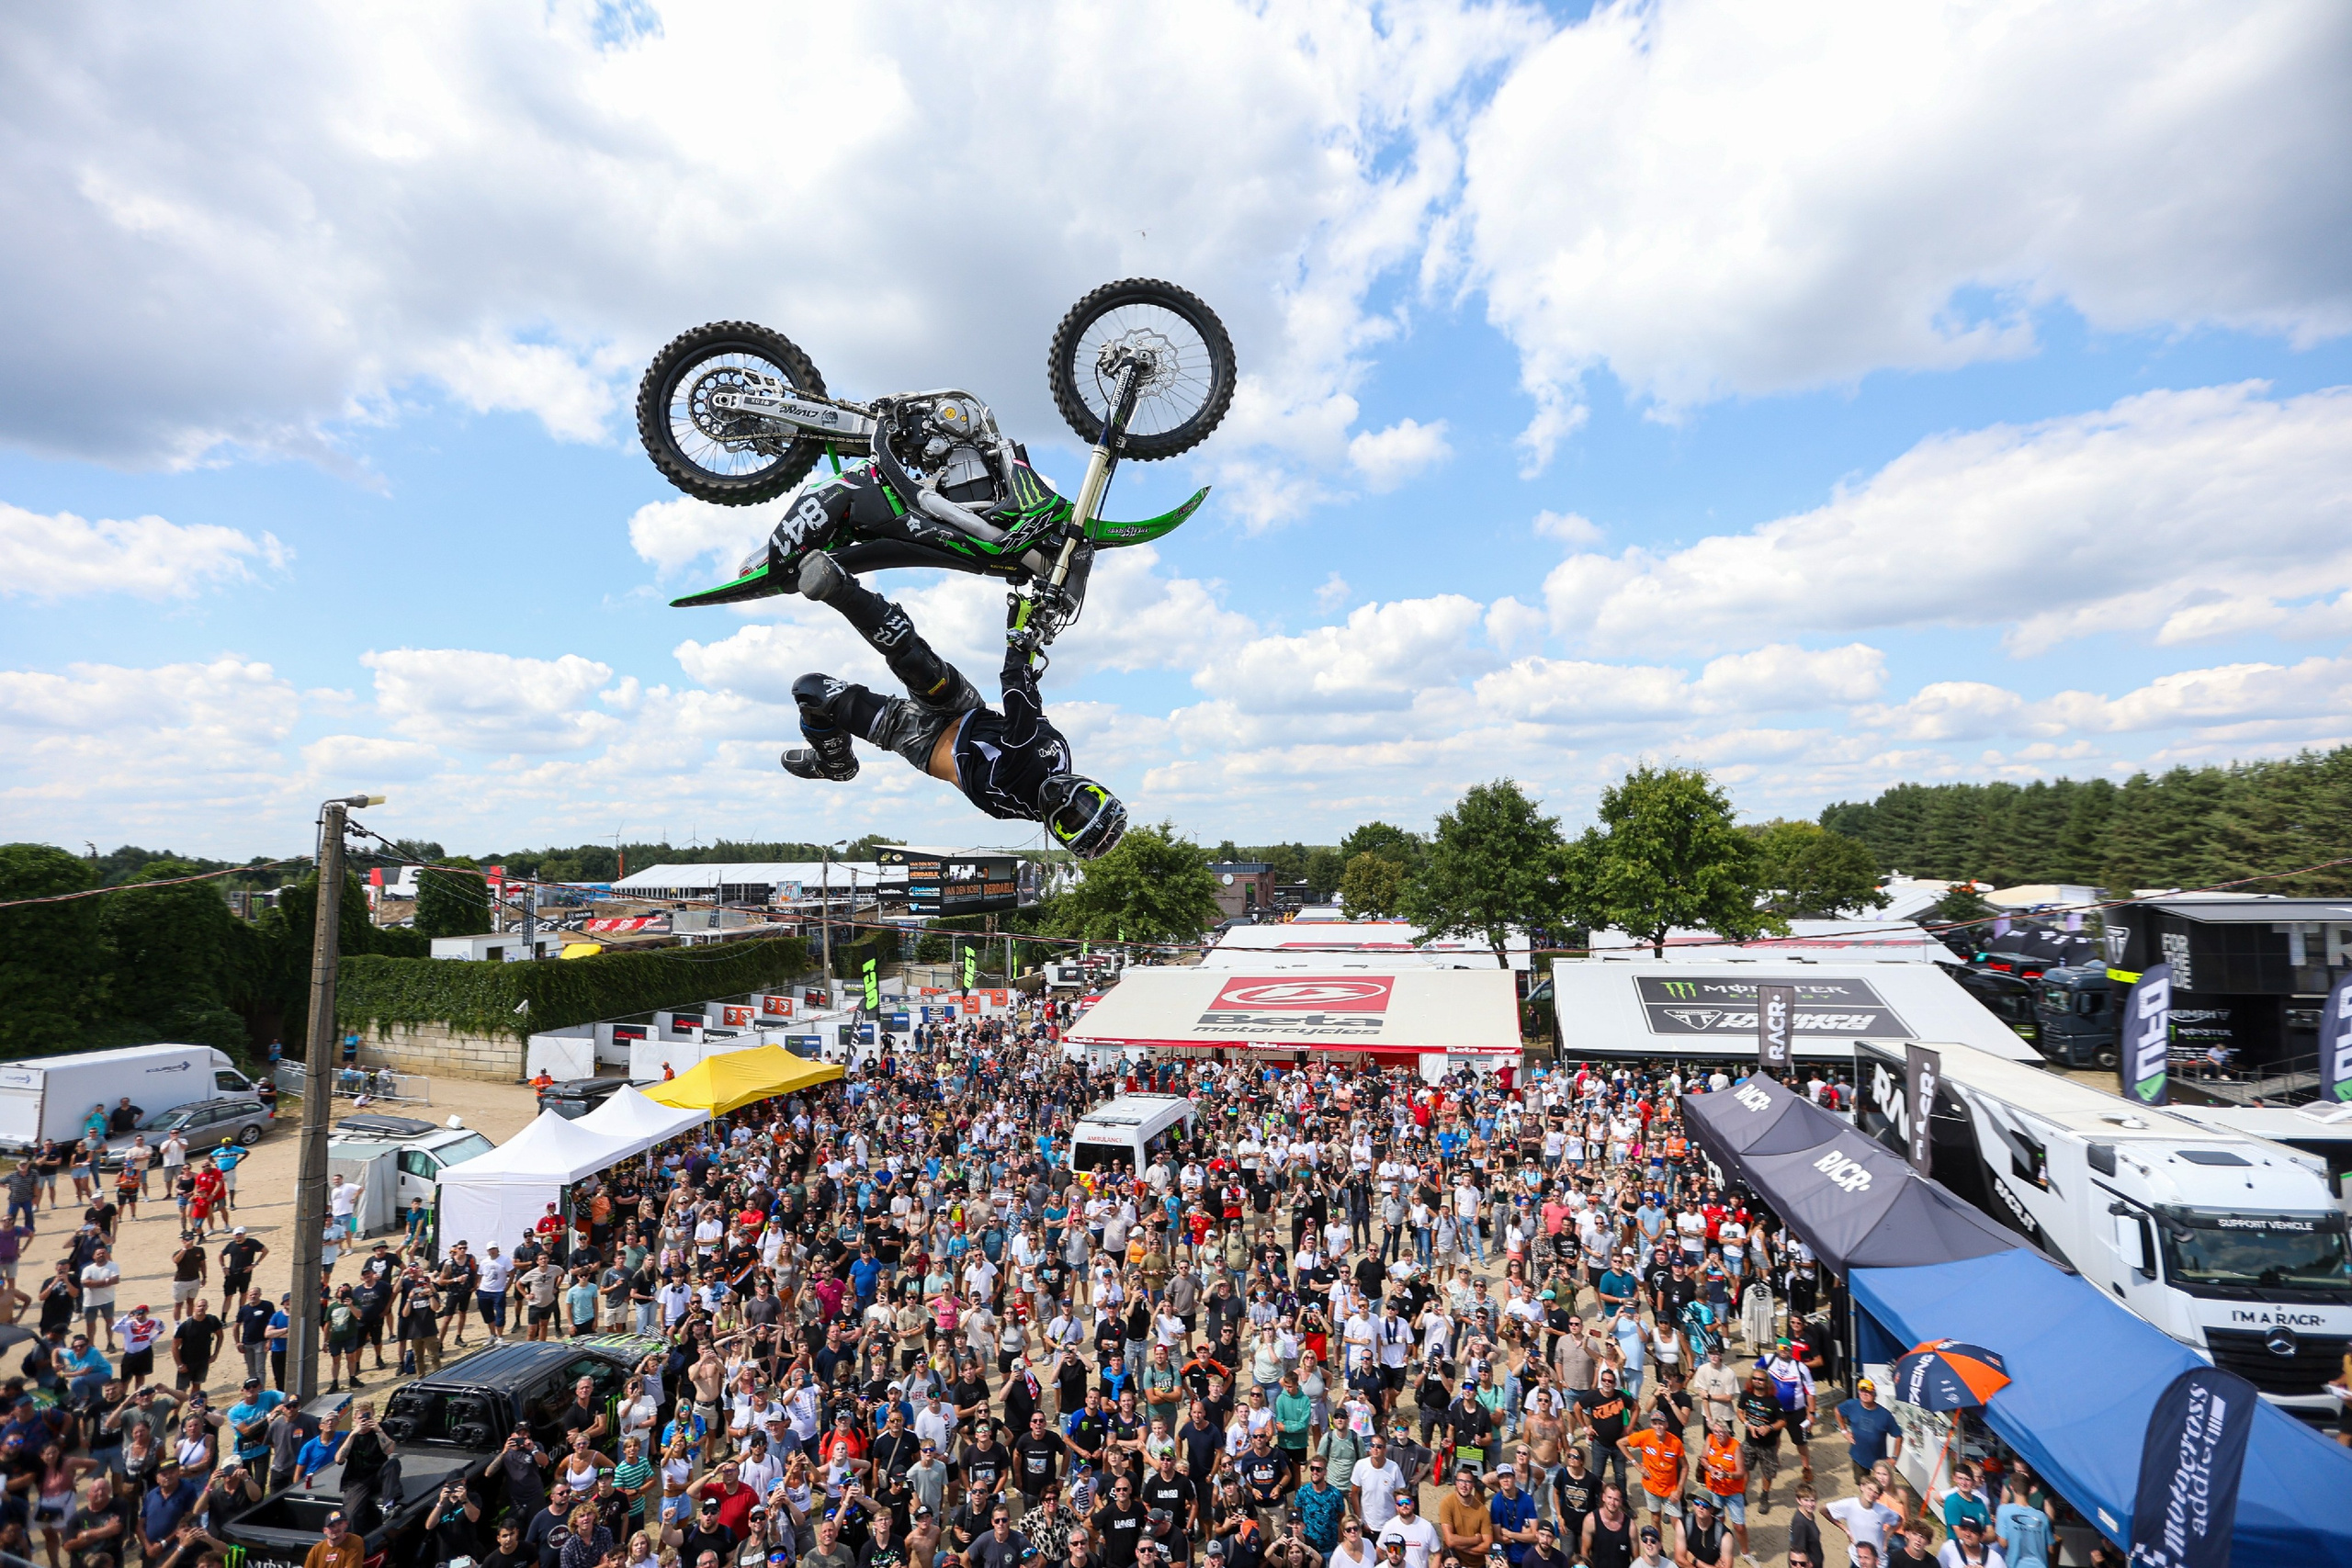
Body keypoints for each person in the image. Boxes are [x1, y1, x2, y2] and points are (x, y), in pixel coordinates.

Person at [777, 555, 1127, 861]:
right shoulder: (1059, 752)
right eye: (1083, 803)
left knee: (810, 691)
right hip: (962, 708)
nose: (1064, 804)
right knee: (914, 660)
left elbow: (1016, 697)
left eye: (1069, 822)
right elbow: (1030, 699)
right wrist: (1034, 634)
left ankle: (836, 764)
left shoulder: (1017, 790)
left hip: (918, 740)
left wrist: (1017, 641)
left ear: (1056, 834)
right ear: (1093, 786)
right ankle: (840, 587)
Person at [1833, 1381, 1901, 1486]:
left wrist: (1894, 1458)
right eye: (1862, 1391)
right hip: (1858, 1457)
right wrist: (1844, 1431)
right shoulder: (1852, 1405)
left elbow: (1898, 1436)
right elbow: (1837, 1411)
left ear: (1874, 1394)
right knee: (1862, 1485)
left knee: (1880, 1487)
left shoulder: (1885, 1415)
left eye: (1868, 1391)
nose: (1864, 1394)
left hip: (1879, 1461)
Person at [1826, 1480, 1898, 1568]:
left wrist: (1886, 1539)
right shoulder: (1849, 1504)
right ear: (1862, 1487)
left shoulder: (1882, 1511)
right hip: (1858, 1559)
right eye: (1870, 1489)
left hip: (1879, 1561)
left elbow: (1898, 1520)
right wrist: (1846, 1530)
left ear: (1879, 1496)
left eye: (1876, 1492)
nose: (1872, 1494)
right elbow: (1824, 1510)